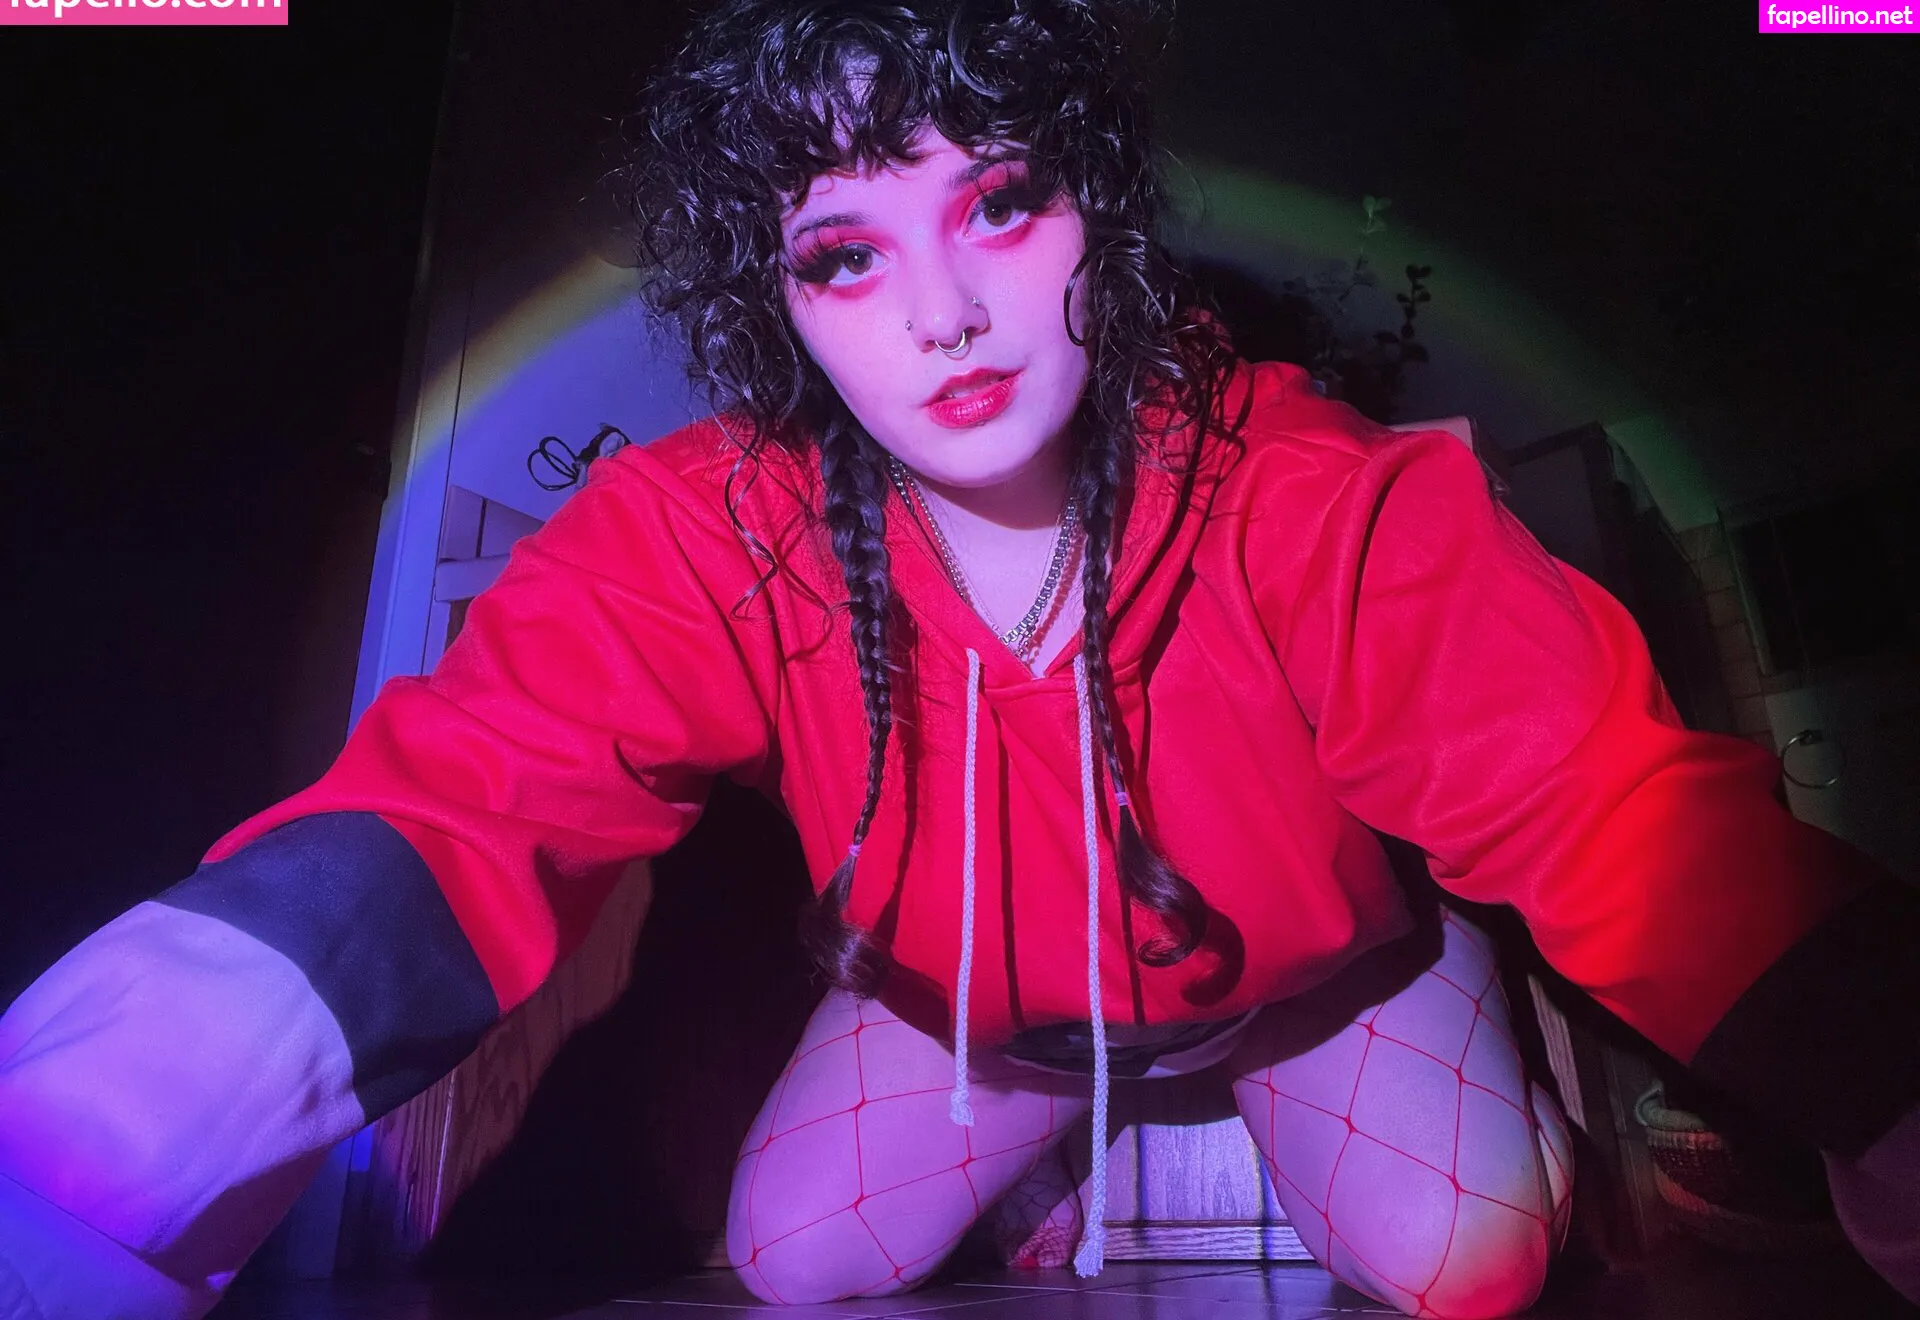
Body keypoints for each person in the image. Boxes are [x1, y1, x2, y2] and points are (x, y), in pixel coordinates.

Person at [2, 2, 1915, 1317]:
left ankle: (1436, 985)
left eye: (1000, 203)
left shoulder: (1309, 494)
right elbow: (466, 798)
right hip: (973, 1020)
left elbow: (1605, 803)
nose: (943, 313)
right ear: (783, 301)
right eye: (844, 253)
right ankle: (1065, 1143)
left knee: (1468, 1269)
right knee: (794, 1262)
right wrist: (97, 1141)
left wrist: (1886, 1076)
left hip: (1305, 993)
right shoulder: (711, 528)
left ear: (1099, 210)